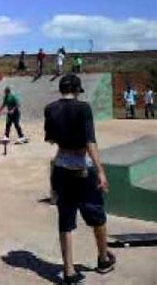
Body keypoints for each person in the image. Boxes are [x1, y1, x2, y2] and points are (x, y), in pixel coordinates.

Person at [45, 74, 115, 284]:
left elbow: (50, 139)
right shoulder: (83, 108)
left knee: (65, 219)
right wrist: (101, 170)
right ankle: (103, 259)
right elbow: (89, 141)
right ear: (76, 90)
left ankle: (68, 272)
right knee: (96, 214)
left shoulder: (50, 109)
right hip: (83, 169)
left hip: (60, 167)